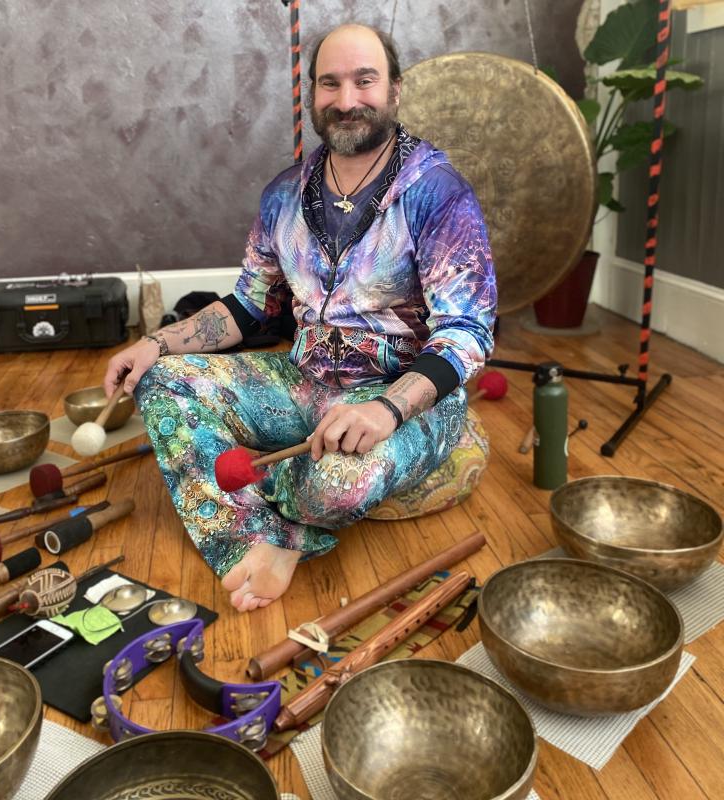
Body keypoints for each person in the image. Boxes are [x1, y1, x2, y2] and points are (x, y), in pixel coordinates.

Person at [104, 23, 497, 612]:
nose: (346, 100)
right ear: (311, 95)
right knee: (160, 381)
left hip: (405, 399)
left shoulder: (438, 194)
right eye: (329, 84)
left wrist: (386, 408)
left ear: (394, 90)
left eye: (364, 81)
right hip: (307, 381)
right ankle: (258, 538)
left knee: (336, 483)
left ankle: (246, 498)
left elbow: (467, 335)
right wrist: (157, 344)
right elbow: (248, 305)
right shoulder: (284, 196)